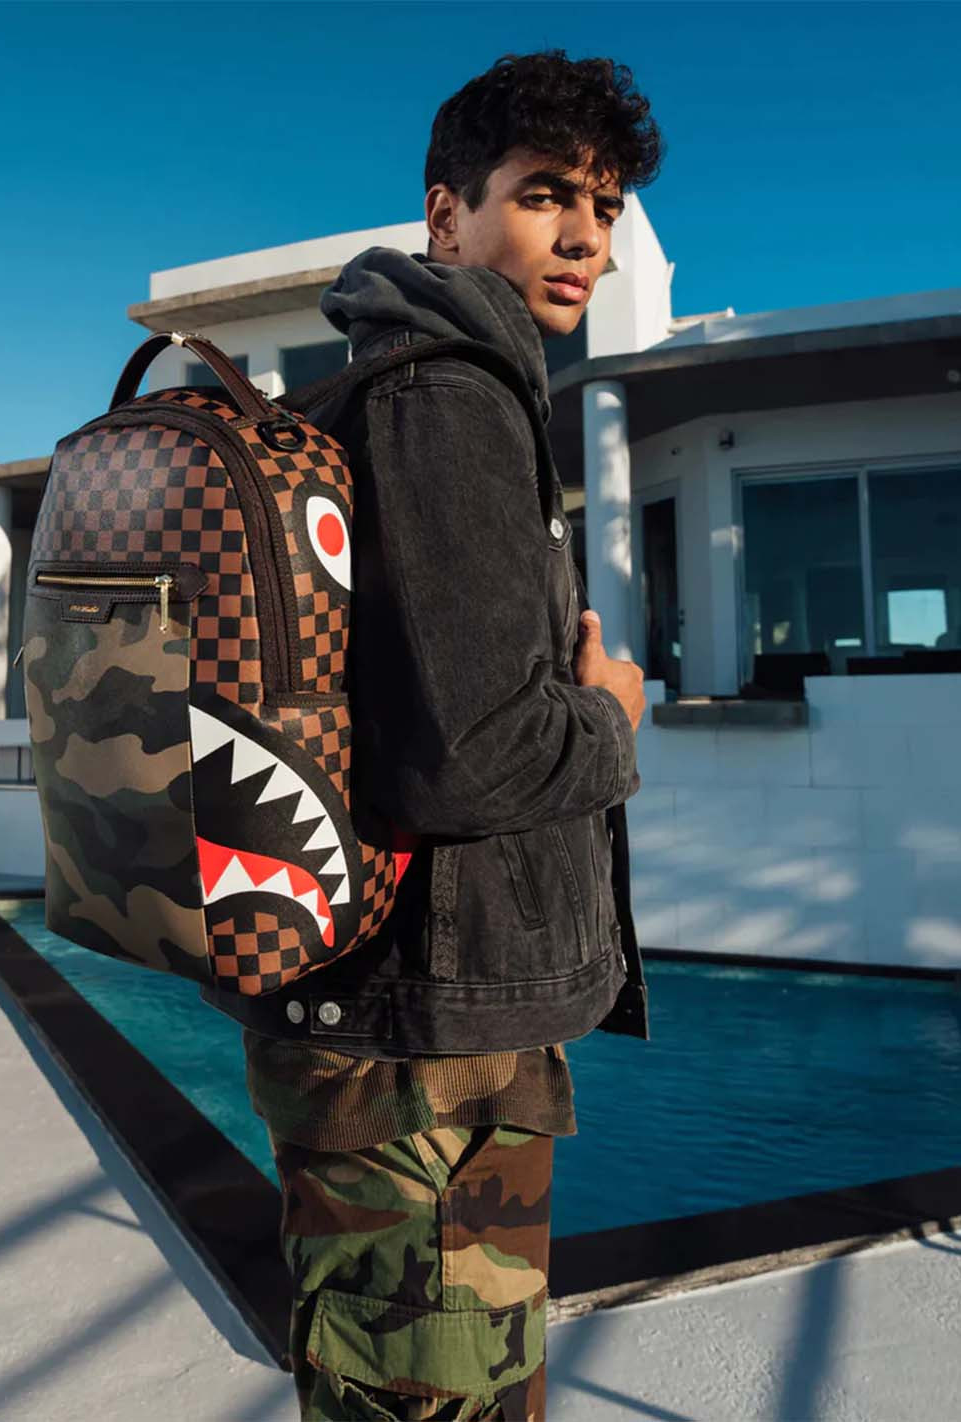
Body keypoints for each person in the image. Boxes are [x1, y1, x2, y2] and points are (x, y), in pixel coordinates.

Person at [241, 50, 662, 1421]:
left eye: (602, 205)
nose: (587, 237)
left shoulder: (427, 387)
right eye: (545, 196)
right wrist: (611, 716)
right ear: (446, 213)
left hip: (423, 1028)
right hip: (417, 1056)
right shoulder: (448, 398)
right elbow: (474, 754)